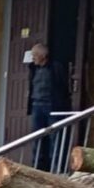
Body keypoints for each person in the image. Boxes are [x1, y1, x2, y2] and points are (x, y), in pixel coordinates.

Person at [27, 43, 69, 172]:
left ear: (43, 55)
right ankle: (37, 167)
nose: (32, 58)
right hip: (37, 106)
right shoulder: (33, 68)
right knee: (37, 136)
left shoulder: (55, 67)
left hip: (52, 106)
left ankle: (57, 168)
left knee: (55, 137)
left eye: (35, 55)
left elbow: (63, 87)